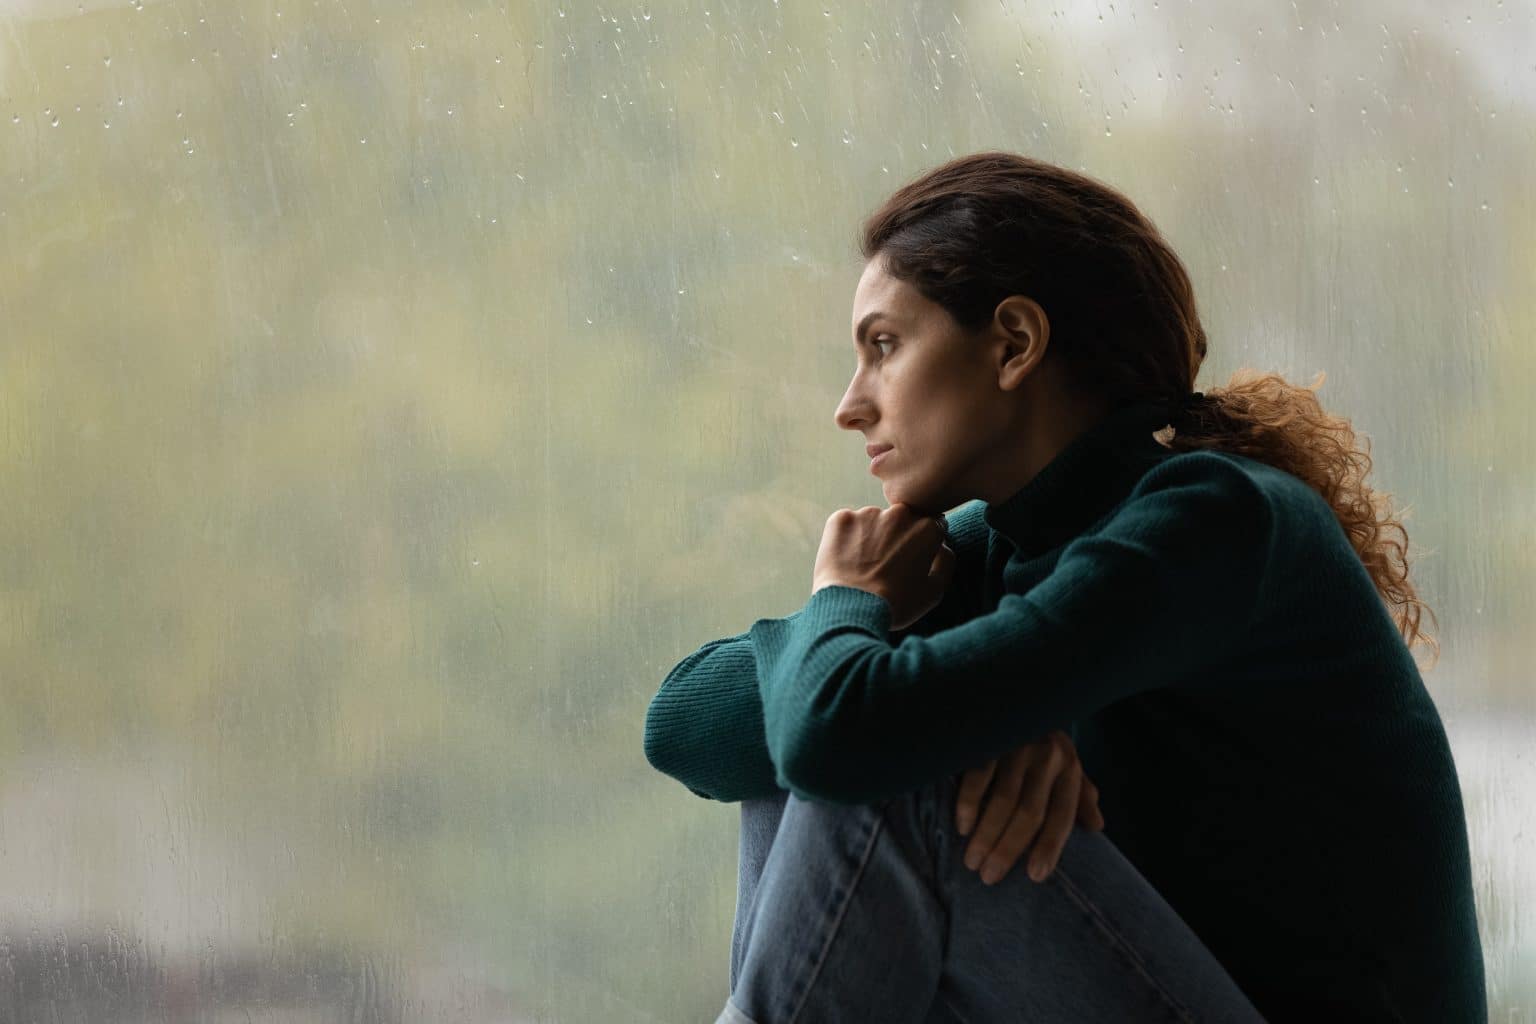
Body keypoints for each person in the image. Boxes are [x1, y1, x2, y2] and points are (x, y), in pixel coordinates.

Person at [643, 151, 1486, 1022]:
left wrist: (849, 614)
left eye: (884, 346)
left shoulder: (1216, 518)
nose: (849, 405)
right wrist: (893, 637)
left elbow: (841, 739)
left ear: (1013, 343)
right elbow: (682, 726)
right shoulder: (995, 545)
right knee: (808, 732)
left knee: (871, 748)